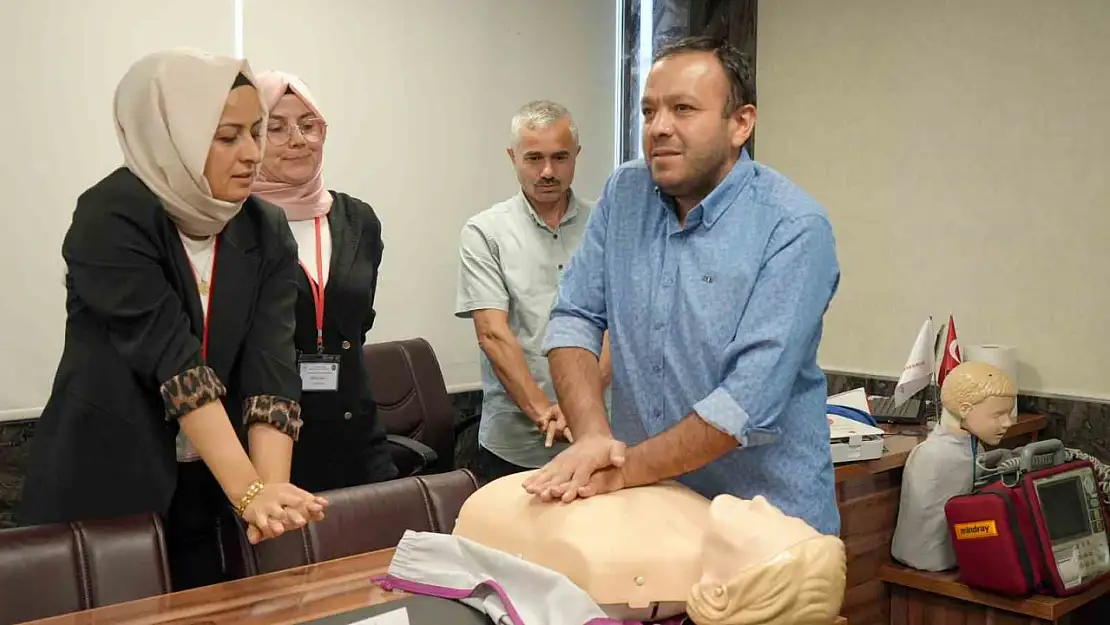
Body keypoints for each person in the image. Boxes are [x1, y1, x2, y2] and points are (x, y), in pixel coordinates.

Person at [19, 49, 327, 590]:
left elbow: (271, 363)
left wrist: (270, 494)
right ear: (171, 134)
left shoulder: (265, 226)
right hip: (108, 481)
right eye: (227, 136)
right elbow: (173, 361)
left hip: (211, 485)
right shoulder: (112, 214)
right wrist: (251, 492)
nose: (253, 154)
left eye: (256, 132)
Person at [524, 36, 842, 537]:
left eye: (683, 109)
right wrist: (591, 438)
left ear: (741, 123)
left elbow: (742, 404)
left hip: (764, 529)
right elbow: (575, 318)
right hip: (652, 514)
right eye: (649, 111)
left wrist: (621, 469)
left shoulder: (794, 227)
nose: (659, 128)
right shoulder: (624, 193)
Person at [252, 71, 398, 492]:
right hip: (266, 448)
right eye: (275, 128)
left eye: (308, 125)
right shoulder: (235, 226)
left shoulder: (358, 220)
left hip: (357, 436)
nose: (297, 139)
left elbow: (356, 321)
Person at [455, 100, 610, 485]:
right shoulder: (485, 232)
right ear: (513, 157)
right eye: (533, 158)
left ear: (577, 155)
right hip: (514, 446)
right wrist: (547, 413)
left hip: (598, 437)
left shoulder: (604, 225)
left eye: (560, 157)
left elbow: (619, 324)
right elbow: (493, 334)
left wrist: (580, 406)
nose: (547, 172)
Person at [891, 361, 1016, 571]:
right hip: (931, 560)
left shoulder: (973, 449)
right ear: (965, 409)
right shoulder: (935, 457)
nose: (1007, 423)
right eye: (997, 415)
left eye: (1008, 414)